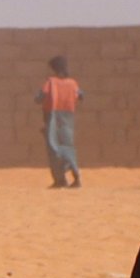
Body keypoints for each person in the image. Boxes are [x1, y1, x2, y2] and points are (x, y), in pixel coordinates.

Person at [40, 55, 83, 189]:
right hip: (68, 118)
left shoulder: (51, 82)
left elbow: (40, 96)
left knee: (54, 149)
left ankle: (60, 180)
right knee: (68, 147)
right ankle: (76, 178)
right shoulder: (73, 83)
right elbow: (81, 95)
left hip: (53, 117)